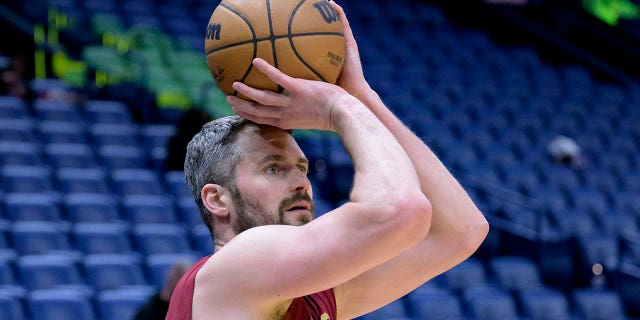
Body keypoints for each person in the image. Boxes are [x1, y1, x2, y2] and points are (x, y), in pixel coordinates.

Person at [167, 2, 489, 319]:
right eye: (273, 168)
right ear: (216, 198)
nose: (301, 183)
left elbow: (463, 230)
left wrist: (362, 95)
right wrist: (339, 105)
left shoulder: (314, 296)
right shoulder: (232, 271)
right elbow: (402, 208)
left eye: (302, 168)